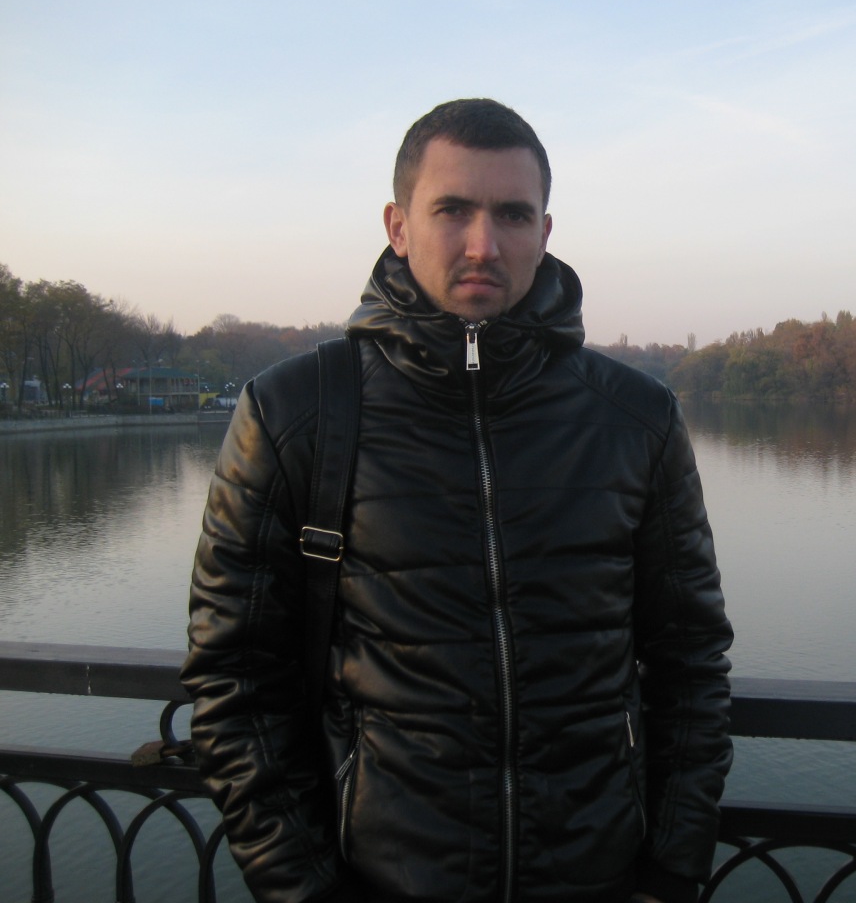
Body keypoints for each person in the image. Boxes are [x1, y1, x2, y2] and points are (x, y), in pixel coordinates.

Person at [181, 98, 733, 903]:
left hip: (598, 877)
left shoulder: (636, 419)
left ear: (545, 232)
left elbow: (690, 662)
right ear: (398, 226)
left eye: (512, 214)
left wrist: (672, 873)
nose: (484, 244)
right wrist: (302, 888)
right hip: (381, 881)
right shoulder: (295, 411)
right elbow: (234, 677)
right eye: (453, 210)